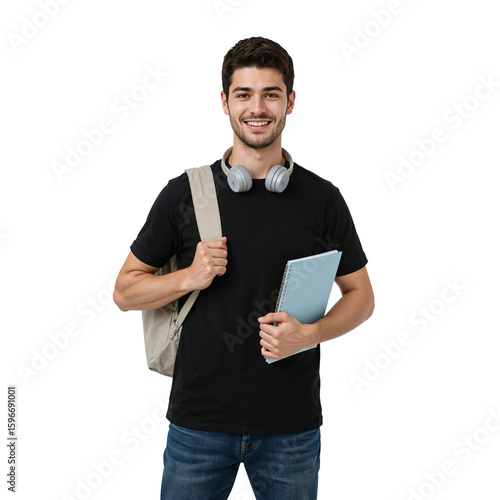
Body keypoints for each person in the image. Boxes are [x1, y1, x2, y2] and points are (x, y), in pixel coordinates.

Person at [113, 36, 374, 500]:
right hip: (198, 427)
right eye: (244, 94)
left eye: (271, 94)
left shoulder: (322, 199)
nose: (258, 107)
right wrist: (189, 277)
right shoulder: (184, 194)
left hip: (290, 431)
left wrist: (310, 334)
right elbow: (124, 292)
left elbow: (362, 296)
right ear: (225, 102)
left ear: (290, 102)